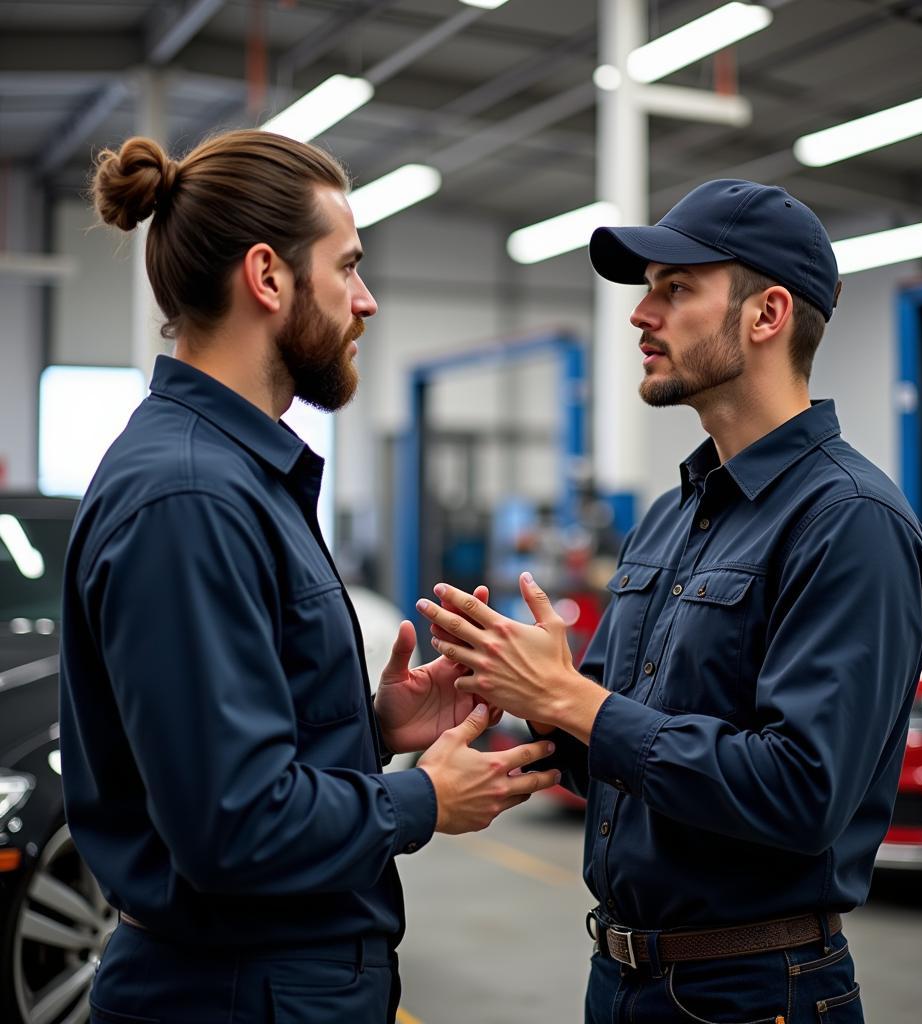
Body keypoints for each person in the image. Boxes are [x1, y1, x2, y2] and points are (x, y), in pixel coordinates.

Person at [59, 129, 561, 1024]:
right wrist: (421, 800)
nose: (365, 302)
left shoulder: (238, 477)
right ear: (268, 276)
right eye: (349, 267)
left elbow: (230, 755)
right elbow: (231, 827)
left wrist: (372, 729)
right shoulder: (189, 499)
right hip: (234, 992)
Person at [416, 179, 922, 1023]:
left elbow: (803, 793)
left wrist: (576, 701)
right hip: (622, 978)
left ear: (767, 314)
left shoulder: (849, 523)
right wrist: (520, 697)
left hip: (753, 993)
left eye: (676, 289)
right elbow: (608, 754)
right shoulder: (673, 516)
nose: (639, 314)